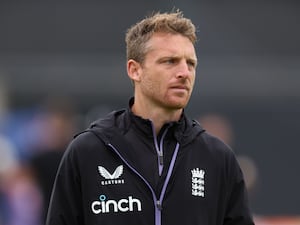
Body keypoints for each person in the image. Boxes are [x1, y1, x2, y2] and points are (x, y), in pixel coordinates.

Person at [46, 10, 254, 225]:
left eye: (190, 63)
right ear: (135, 70)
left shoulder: (217, 158)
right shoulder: (89, 150)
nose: (184, 72)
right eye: (170, 61)